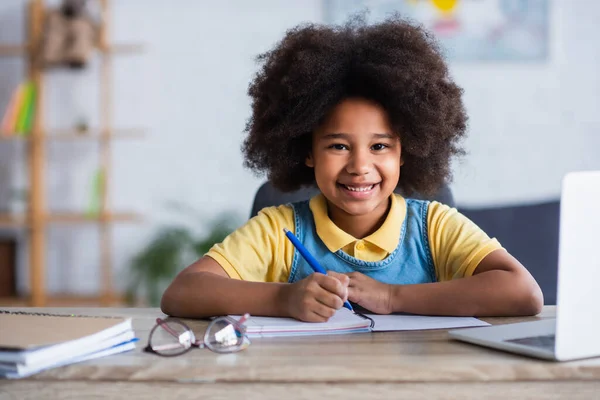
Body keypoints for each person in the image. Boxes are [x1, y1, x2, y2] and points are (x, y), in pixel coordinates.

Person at [161, 16, 543, 322]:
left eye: (379, 146)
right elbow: (182, 293)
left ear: (406, 151)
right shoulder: (279, 229)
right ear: (306, 150)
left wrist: (393, 297)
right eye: (338, 146)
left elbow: (524, 293)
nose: (360, 166)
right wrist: (283, 297)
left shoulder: (434, 227)